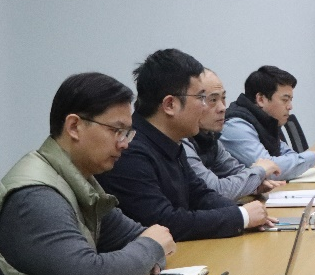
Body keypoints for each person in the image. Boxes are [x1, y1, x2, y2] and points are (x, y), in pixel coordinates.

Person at [0, 72, 176, 275]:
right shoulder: (36, 197)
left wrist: (144, 252)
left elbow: (137, 237)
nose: (124, 144)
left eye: (127, 133)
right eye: (116, 131)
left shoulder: (78, 180)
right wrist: (148, 250)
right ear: (74, 126)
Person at [98, 49, 273, 241]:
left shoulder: (171, 141)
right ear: (170, 105)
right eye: (201, 98)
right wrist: (241, 217)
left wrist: (245, 213)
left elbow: (200, 195)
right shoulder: (130, 151)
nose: (205, 107)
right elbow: (164, 221)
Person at [221, 65, 315, 179]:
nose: (290, 106)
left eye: (290, 100)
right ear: (261, 99)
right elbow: (268, 171)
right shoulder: (236, 126)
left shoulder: (264, 121)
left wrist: (307, 159)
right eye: (285, 100)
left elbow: (287, 155)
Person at [183, 69, 282, 201]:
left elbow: (236, 171)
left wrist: (254, 184)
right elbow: (215, 190)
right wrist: (259, 171)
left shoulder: (210, 138)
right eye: (213, 99)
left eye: (223, 98)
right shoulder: (182, 143)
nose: (222, 108)